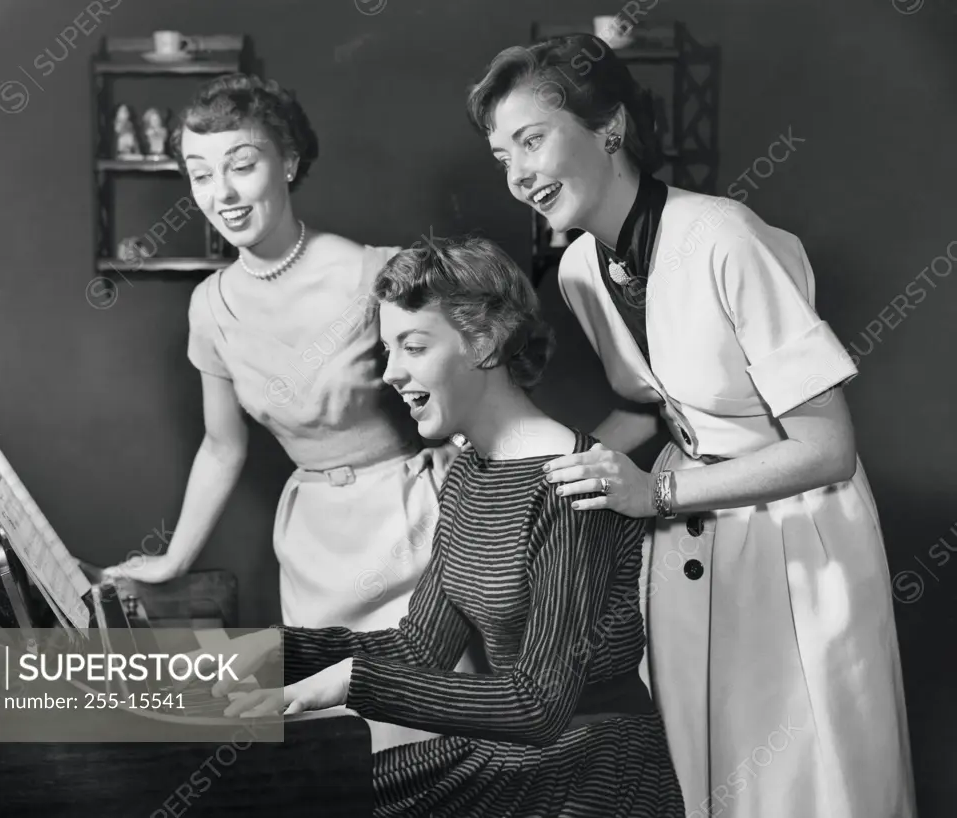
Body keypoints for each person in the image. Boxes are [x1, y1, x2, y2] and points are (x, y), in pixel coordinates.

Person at [466, 33, 916, 818]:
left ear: (608, 125)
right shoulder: (578, 270)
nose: (519, 176)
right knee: (715, 780)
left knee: (811, 779)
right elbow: (654, 400)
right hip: (687, 550)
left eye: (532, 141)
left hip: (799, 543)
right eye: (503, 156)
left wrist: (656, 493)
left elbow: (828, 448)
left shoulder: (725, 237)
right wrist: (533, 470)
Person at [204, 236, 684, 818]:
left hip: (592, 775)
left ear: (485, 342)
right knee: (297, 794)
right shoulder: (469, 476)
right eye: (386, 349)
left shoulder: (573, 485)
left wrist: (350, 684)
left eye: (414, 346)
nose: (390, 373)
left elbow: (538, 704)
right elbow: (419, 647)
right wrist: (267, 651)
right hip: (522, 757)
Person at [104, 74, 462, 749]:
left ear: (289, 162)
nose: (223, 194)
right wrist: (173, 561)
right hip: (311, 545)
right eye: (201, 173)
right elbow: (221, 446)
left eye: (242, 165)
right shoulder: (210, 306)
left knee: (420, 745)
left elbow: (466, 402)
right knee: (334, 754)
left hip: (411, 528)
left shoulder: (377, 275)